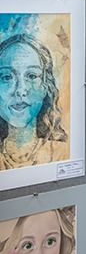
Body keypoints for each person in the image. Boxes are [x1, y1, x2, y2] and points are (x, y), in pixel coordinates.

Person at [0, 33, 68, 170]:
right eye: (7, 77)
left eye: (31, 76)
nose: (20, 90)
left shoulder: (62, 153)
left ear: (45, 87)